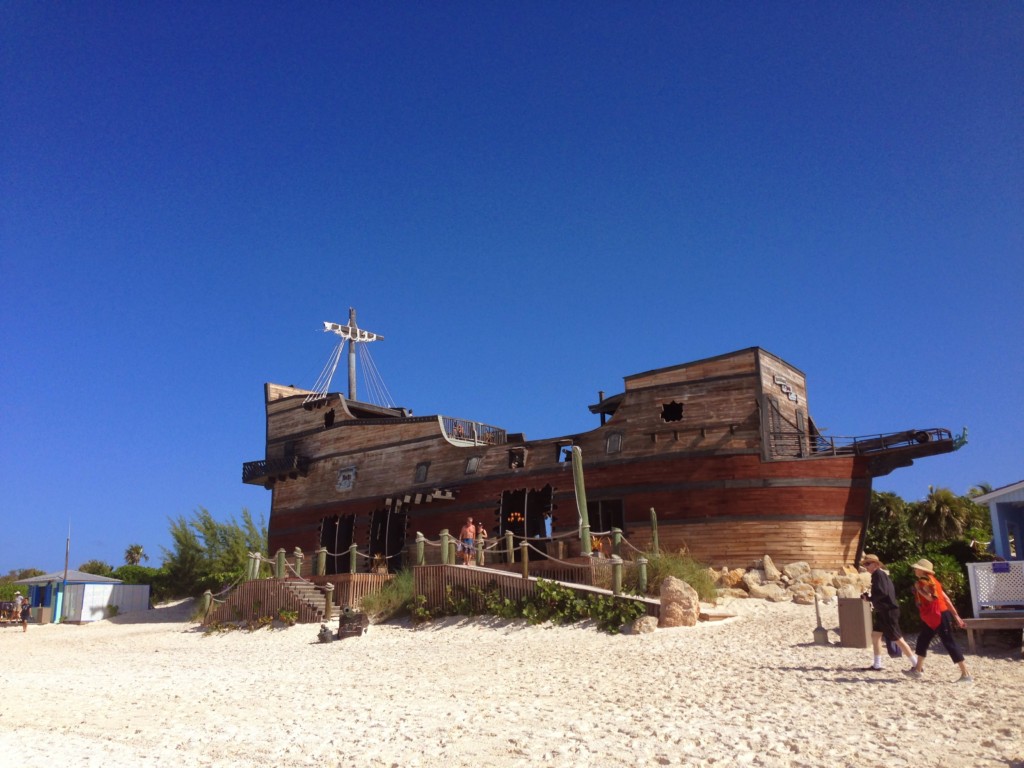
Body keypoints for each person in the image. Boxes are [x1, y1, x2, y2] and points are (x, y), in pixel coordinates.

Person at [905, 558, 972, 683]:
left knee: (948, 642)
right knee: (923, 639)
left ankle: (966, 673)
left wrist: (918, 590)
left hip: (937, 615)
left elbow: (931, 599)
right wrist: (956, 616)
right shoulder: (934, 581)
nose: (914, 570)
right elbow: (945, 598)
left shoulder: (923, 582)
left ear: (922, 570)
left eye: (916, 568)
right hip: (938, 614)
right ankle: (918, 670)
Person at [860, 554, 917, 671]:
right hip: (883, 611)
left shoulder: (878, 575)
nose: (866, 566)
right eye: (865, 564)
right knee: (875, 636)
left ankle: (917, 665)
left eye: (868, 564)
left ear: (876, 564)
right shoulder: (880, 575)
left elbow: (883, 593)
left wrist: (869, 598)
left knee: (897, 638)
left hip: (888, 611)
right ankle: (877, 664)